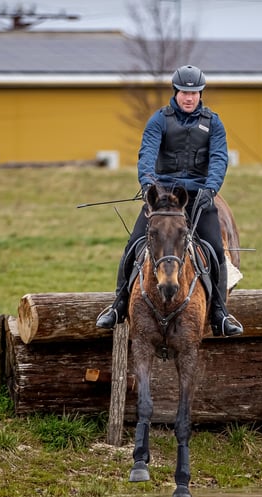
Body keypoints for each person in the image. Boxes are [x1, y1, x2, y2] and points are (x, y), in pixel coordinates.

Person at [96, 64, 243, 337]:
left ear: (201, 94)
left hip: (199, 195)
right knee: (134, 243)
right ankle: (117, 304)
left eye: (195, 93)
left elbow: (219, 159)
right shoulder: (159, 120)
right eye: (185, 93)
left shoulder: (214, 123)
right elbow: (147, 154)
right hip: (164, 198)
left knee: (213, 248)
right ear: (176, 93)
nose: (189, 97)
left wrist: (211, 190)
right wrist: (149, 186)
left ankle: (220, 313)